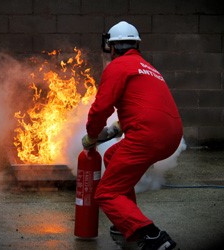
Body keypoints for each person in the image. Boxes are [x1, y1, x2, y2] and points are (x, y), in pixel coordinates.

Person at [82, 21, 183, 250]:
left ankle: (152, 236)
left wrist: (91, 135)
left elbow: (100, 109)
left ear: (112, 47)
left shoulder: (117, 67)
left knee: (106, 193)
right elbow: (145, 107)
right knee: (112, 156)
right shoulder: (148, 68)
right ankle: (124, 222)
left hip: (147, 137)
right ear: (136, 45)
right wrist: (117, 128)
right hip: (171, 136)